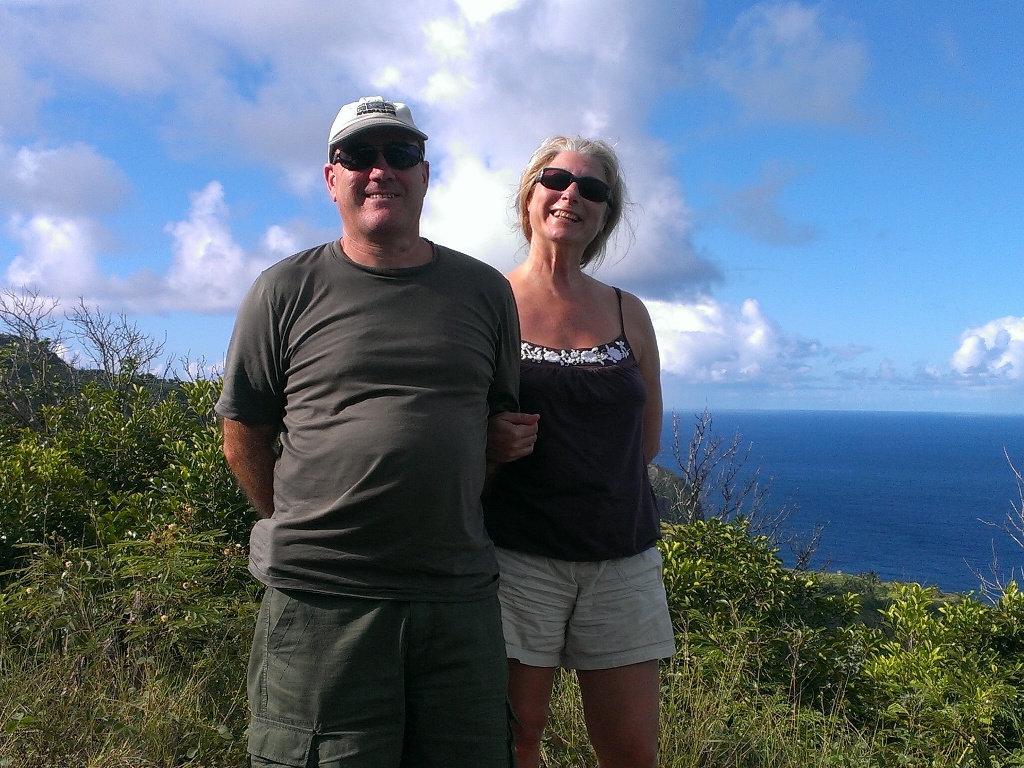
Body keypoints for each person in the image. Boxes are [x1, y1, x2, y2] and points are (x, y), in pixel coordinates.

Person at [216, 95, 524, 768]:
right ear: (333, 179)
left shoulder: (484, 291)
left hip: (457, 598)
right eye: (358, 155)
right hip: (321, 601)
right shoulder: (283, 289)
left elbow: (501, 423)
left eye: (400, 153)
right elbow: (243, 427)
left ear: (425, 174)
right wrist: (299, 520)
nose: (380, 169)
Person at [484, 136, 674, 768]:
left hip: (622, 558)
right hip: (516, 556)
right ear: (529, 195)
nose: (572, 195)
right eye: (556, 179)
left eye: (592, 189)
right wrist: (490, 443)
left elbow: (646, 441)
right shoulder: (489, 304)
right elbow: (450, 426)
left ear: (605, 215)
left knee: (631, 751)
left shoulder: (628, 311)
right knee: (515, 740)